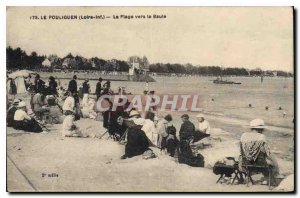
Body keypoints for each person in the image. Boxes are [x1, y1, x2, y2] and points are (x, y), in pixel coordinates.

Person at [239, 119, 280, 184]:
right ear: (260, 129)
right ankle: (268, 178)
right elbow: (268, 152)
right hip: (260, 164)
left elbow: (241, 152)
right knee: (271, 161)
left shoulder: (243, 136)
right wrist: (276, 165)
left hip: (246, 164)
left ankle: (249, 177)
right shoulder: (261, 137)